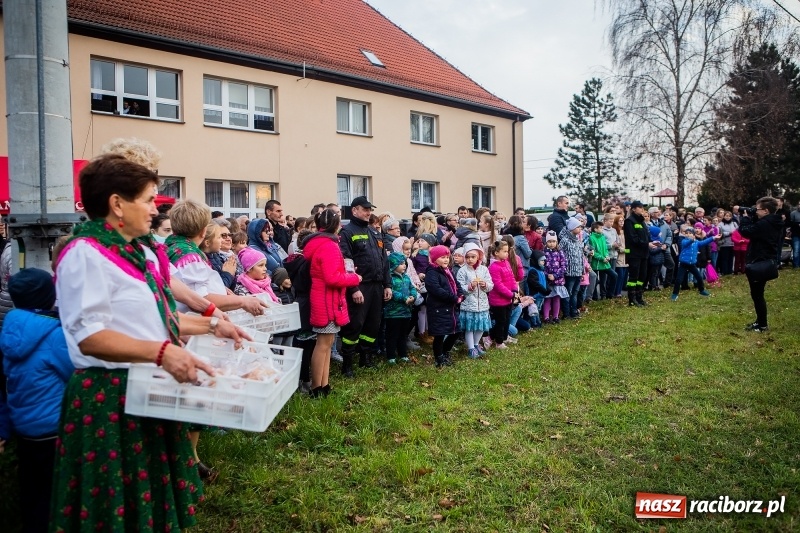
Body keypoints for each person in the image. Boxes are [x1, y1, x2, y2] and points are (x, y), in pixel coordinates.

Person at [51, 154, 246, 532]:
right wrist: (162, 352)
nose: (155, 209)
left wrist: (212, 326)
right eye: (148, 199)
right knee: (118, 511)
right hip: (111, 398)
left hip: (146, 388)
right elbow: (90, 337)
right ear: (117, 204)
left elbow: (156, 319)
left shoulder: (136, 251)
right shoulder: (85, 253)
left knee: (151, 507)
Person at [0, 269, 73, 533]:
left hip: (24, 429)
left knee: (32, 491)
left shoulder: (10, 330)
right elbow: (73, 375)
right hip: (53, 428)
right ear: (48, 296)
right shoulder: (55, 335)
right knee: (56, 492)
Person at [304, 209, 361, 394]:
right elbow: (332, 278)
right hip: (327, 300)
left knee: (327, 344)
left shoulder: (324, 243)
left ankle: (324, 384)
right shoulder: (328, 246)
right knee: (323, 345)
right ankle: (316, 387)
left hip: (327, 299)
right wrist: (354, 278)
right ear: (336, 225)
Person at [739, 197, 784, 332]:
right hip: (765, 259)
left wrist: (745, 218)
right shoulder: (774, 222)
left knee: (757, 294)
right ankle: (760, 321)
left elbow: (746, 231)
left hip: (760, 260)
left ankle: (762, 325)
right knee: (758, 293)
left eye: (757, 209)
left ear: (766, 211)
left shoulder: (765, 224)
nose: (755, 211)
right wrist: (753, 216)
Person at [425, 245, 462, 367]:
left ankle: (445, 352)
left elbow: (456, 284)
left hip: (451, 308)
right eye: (442, 257)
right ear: (435, 259)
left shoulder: (448, 271)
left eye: (447, 257)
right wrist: (453, 298)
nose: (446, 259)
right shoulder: (432, 272)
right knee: (440, 334)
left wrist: (461, 295)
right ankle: (439, 358)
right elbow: (436, 289)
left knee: (456, 331)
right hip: (438, 308)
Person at [456, 243, 493, 359]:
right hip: (468, 304)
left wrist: (485, 285)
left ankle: (476, 345)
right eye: (467, 257)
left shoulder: (484, 269)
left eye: (473, 257)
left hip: (482, 304)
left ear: (479, 257)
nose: (470, 259)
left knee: (481, 326)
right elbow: (459, 287)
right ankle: (471, 348)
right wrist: (469, 286)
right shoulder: (462, 271)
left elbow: (491, 284)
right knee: (470, 327)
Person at [383, 252, 417, 364]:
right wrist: (404, 298)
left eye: (405, 263)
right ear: (393, 264)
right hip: (393, 313)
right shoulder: (389, 279)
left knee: (403, 334)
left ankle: (403, 354)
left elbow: (412, 288)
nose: (404, 266)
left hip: (406, 312)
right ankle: (391, 356)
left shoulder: (406, 277)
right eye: (401, 263)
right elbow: (391, 292)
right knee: (392, 335)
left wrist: (413, 296)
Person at [671, 225, 719, 301]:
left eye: (690, 233)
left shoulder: (697, 242)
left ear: (693, 234)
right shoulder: (684, 241)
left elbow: (704, 242)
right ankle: (675, 294)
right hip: (683, 264)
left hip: (692, 264)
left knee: (699, 277)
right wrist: (691, 240)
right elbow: (686, 244)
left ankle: (701, 290)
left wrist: (713, 237)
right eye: (686, 233)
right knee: (679, 279)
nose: (688, 234)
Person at [485, 240, 517, 349]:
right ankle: (498, 342)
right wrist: (510, 294)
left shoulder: (506, 263)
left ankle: (503, 337)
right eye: (505, 251)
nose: (507, 253)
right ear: (496, 253)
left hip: (508, 298)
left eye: (507, 251)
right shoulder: (493, 267)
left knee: (507, 319)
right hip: (498, 300)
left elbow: (512, 277)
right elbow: (498, 285)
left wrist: (514, 290)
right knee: (501, 321)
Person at [623, 200, 650, 306]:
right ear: (634, 209)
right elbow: (633, 238)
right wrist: (647, 244)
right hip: (634, 254)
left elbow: (646, 236)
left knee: (642, 276)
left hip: (644, 253)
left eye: (643, 207)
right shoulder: (629, 221)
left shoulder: (642, 221)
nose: (642, 209)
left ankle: (639, 297)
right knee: (634, 276)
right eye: (640, 207)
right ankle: (632, 299)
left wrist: (651, 242)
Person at [558, 218, 584, 319]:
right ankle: (566, 313)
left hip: (578, 271)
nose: (580, 228)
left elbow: (581, 256)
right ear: (572, 228)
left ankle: (574, 311)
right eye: (578, 227)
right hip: (569, 272)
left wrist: (582, 271)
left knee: (575, 292)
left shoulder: (578, 240)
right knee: (568, 292)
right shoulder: (565, 240)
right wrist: (563, 268)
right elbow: (560, 254)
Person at [542, 231, 567, 323]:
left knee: (556, 298)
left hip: (558, 280)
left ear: (556, 242)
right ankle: (546, 317)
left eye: (553, 241)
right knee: (547, 298)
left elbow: (564, 266)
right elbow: (542, 266)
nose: (551, 244)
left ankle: (556, 316)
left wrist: (555, 276)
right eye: (549, 241)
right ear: (546, 242)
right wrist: (547, 275)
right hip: (548, 281)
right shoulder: (544, 253)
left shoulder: (560, 252)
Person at [717, 210, 738, 275]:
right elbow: (720, 233)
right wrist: (729, 233)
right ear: (724, 216)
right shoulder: (720, 224)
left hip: (733, 243)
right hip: (724, 244)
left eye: (729, 216)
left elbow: (738, 231)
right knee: (724, 258)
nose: (728, 217)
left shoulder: (734, 223)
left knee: (731, 258)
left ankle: (730, 271)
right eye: (726, 216)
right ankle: (725, 271)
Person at [790, 200, 800, 268]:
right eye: (799, 204)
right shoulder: (793, 213)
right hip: (796, 234)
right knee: (796, 250)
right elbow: (791, 223)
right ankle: (796, 264)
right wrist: (798, 224)